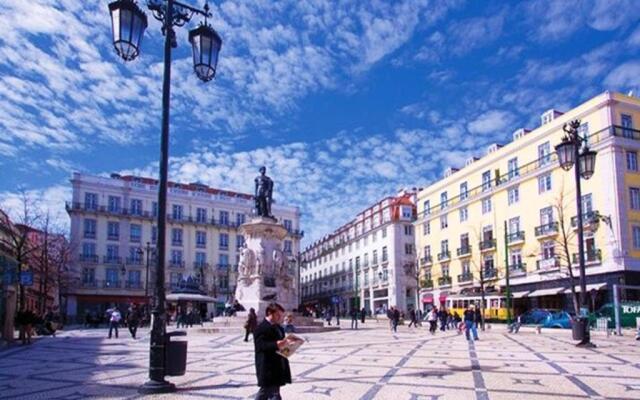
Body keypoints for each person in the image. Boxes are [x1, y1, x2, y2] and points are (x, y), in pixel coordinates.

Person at [253, 303, 293, 400]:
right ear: (270, 313)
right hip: (267, 366)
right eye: (278, 315)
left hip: (278, 365)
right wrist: (276, 344)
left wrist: (289, 346)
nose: (280, 318)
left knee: (270, 392)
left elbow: (282, 343)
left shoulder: (279, 328)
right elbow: (260, 346)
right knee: (269, 392)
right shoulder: (260, 328)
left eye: (281, 316)